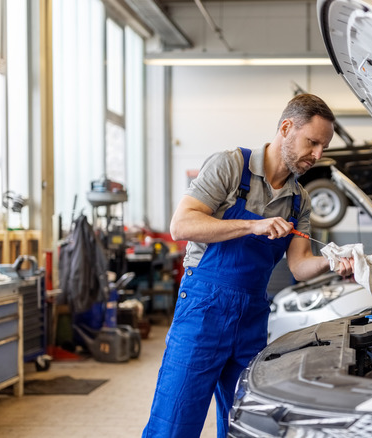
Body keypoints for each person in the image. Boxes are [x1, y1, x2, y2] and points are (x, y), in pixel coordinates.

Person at [143, 94, 357, 438]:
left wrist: (334, 262)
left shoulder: (299, 200)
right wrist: (252, 224)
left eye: (323, 146)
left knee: (246, 423)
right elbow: (181, 225)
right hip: (203, 308)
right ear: (286, 128)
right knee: (175, 421)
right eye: (312, 142)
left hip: (251, 318)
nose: (318, 155)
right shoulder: (230, 166)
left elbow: (300, 265)